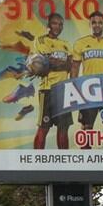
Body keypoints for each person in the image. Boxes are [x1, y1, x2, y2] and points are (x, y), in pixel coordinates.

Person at [70, 11, 103, 149]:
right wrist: (73, 90)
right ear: (90, 24)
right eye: (94, 22)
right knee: (86, 128)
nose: (97, 25)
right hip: (88, 91)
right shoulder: (80, 43)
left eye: (99, 22)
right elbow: (75, 68)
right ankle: (87, 160)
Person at [30, 12, 72, 149]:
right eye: (54, 23)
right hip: (48, 90)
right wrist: (59, 63)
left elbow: (70, 66)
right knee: (44, 127)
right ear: (48, 24)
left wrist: (54, 63)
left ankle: (64, 160)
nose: (58, 27)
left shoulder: (66, 44)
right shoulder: (40, 40)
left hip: (64, 91)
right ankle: (37, 160)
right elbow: (44, 63)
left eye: (60, 24)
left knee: (63, 128)